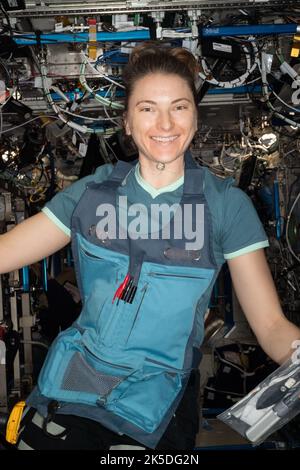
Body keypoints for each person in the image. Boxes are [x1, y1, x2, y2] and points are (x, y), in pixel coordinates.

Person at [0, 43, 299, 451]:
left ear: (195, 117)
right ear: (127, 122)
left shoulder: (226, 205)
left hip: (159, 401)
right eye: (147, 108)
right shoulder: (91, 195)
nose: (165, 123)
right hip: (75, 385)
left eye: (179, 107)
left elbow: (271, 327)